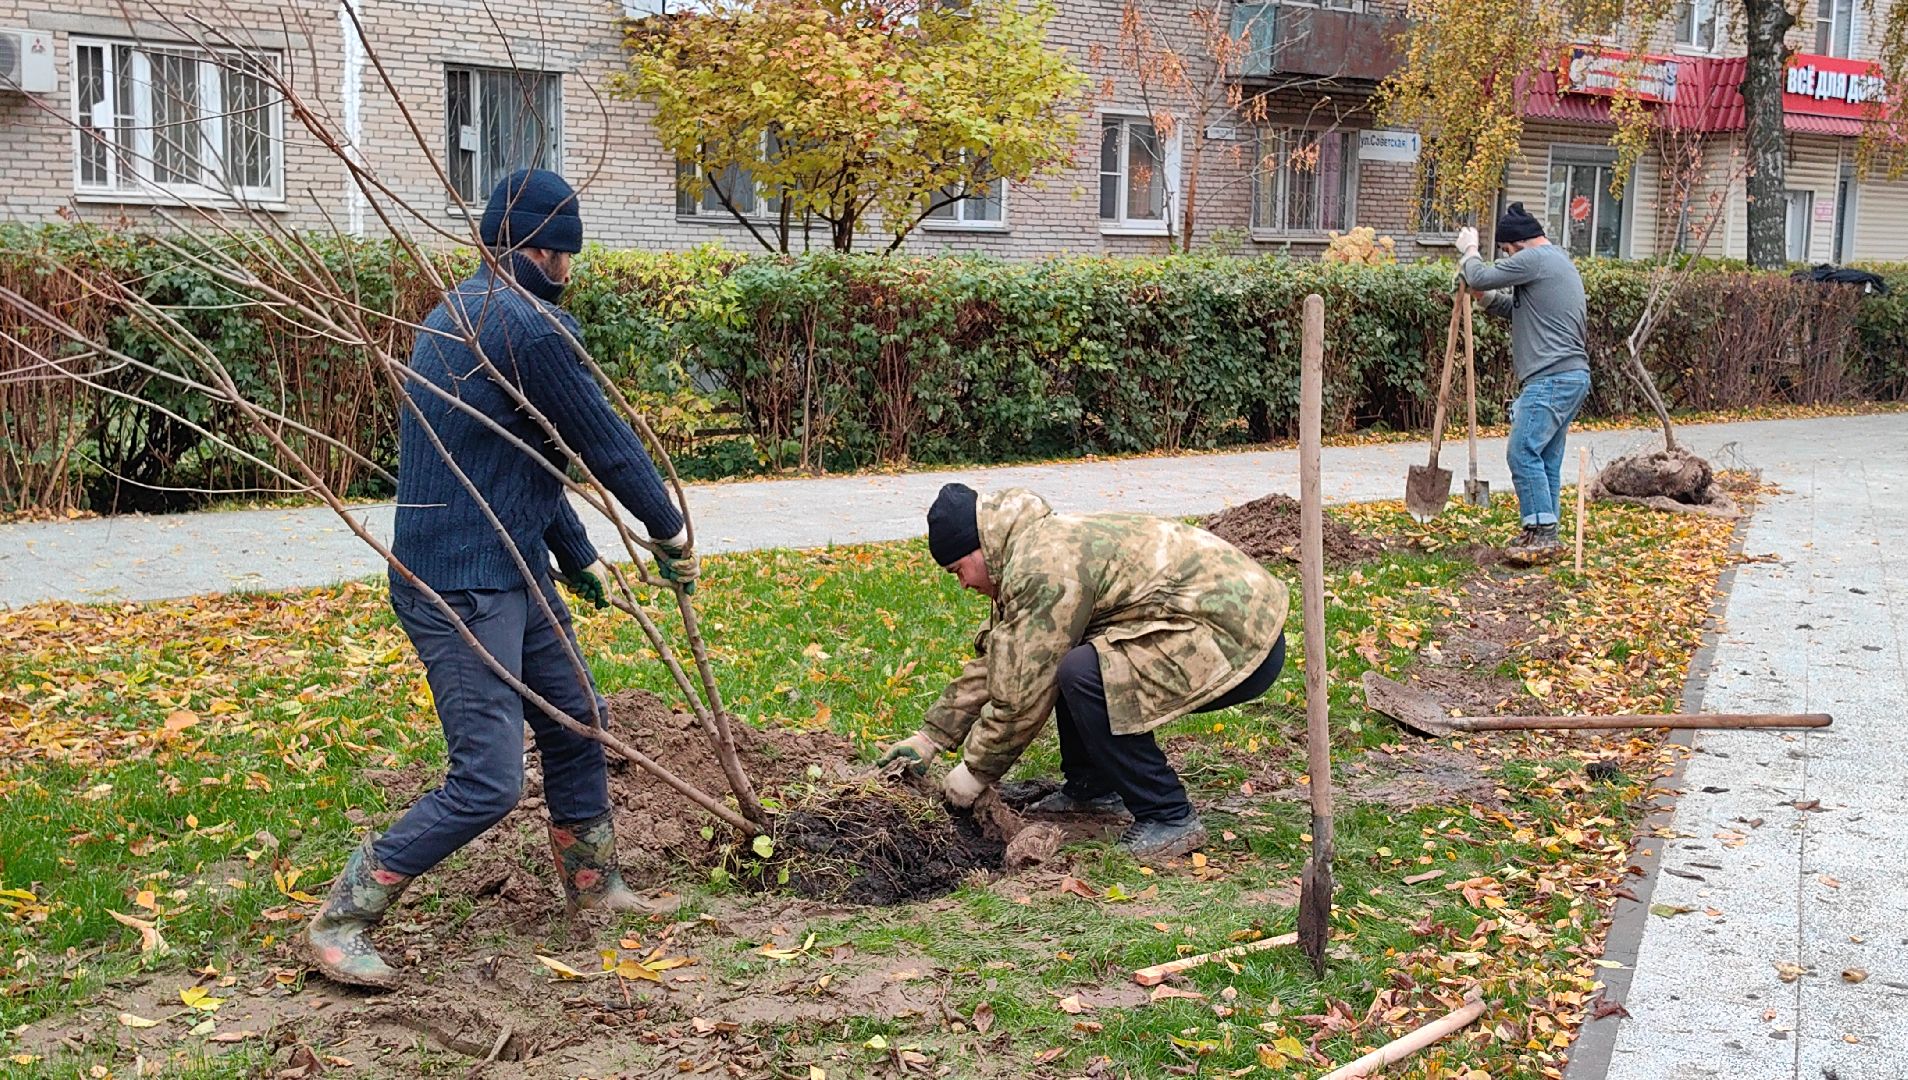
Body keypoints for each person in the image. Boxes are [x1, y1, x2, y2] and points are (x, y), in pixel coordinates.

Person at [305, 169, 700, 988]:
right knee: (486, 779)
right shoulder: (529, 327)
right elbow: (606, 445)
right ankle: (343, 915)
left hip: (505, 568)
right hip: (461, 586)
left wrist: (576, 553)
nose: (569, 269)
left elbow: (510, 461)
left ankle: (595, 888)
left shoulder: (456, 316)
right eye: (566, 252)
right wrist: (668, 531)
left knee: (578, 721)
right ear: (545, 250)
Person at [878, 484, 1289, 861]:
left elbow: (1020, 701)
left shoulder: (1043, 569)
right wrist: (931, 737)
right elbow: (1011, 658)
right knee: (1071, 660)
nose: (963, 585)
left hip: (1235, 637)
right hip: (1215, 621)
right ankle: (1093, 787)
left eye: (958, 571)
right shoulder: (1025, 551)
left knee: (1084, 672)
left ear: (980, 548)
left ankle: (1169, 815)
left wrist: (973, 772)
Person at [1456, 202, 1592, 563]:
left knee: (1522, 451)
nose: (1505, 257)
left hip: (1551, 378)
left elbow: (1480, 275)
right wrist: (1484, 300)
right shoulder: (1555, 262)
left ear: (1516, 244)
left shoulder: (1535, 259)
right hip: (1570, 376)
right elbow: (1516, 308)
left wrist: (1470, 250)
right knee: (1544, 457)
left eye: (1504, 251)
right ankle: (1543, 530)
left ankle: (1542, 533)